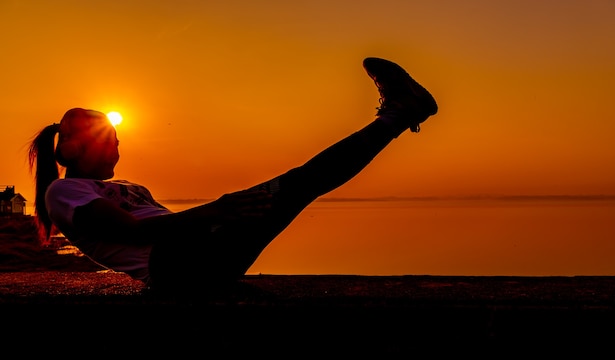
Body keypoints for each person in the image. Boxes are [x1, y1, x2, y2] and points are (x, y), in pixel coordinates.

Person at [27, 57, 438, 295]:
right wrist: (216, 212)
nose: (118, 149)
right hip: (175, 268)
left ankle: (398, 114)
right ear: (77, 149)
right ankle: (399, 113)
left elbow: (163, 226)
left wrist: (217, 218)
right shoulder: (63, 192)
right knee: (302, 181)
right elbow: (136, 234)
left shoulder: (126, 187)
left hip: (194, 257)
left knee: (304, 183)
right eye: (109, 141)